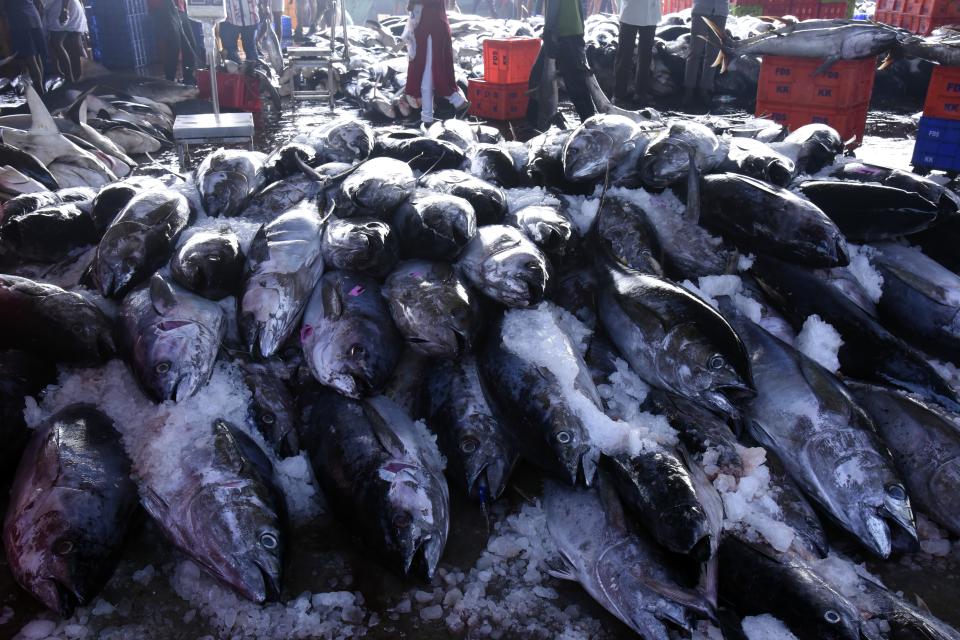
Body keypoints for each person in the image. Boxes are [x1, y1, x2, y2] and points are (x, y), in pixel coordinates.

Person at [403, 0, 469, 125]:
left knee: (428, 72)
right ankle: (433, 113)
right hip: (430, 27)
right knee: (428, 73)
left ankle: (453, 102)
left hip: (430, 29)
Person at [541, 0, 595, 122]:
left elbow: (554, 6)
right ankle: (589, 118)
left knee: (575, 83)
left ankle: (589, 122)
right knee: (577, 79)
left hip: (564, 33)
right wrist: (581, 29)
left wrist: (548, 30)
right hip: (573, 31)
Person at [613, 0, 659, 106]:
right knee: (625, 56)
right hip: (629, 12)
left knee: (645, 57)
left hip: (648, 14)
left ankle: (640, 93)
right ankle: (619, 95)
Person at [684, 0, 728, 105]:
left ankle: (705, 88)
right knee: (695, 51)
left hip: (720, 11)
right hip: (701, 9)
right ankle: (688, 89)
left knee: (713, 53)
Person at [2, 0, 47, 94]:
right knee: (37, 57)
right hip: (34, 17)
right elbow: (40, 4)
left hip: (20, 21)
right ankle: (42, 89)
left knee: (31, 60)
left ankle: (40, 92)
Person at [149, 0, 198, 84]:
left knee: (190, 43)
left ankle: (188, 77)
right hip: (163, 9)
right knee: (174, 45)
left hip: (180, 8)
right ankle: (170, 79)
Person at [43, 0, 86, 82]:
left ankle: (70, 77)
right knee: (72, 43)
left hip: (62, 8)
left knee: (56, 42)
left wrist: (64, 9)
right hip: (62, 7)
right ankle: (78, 75)